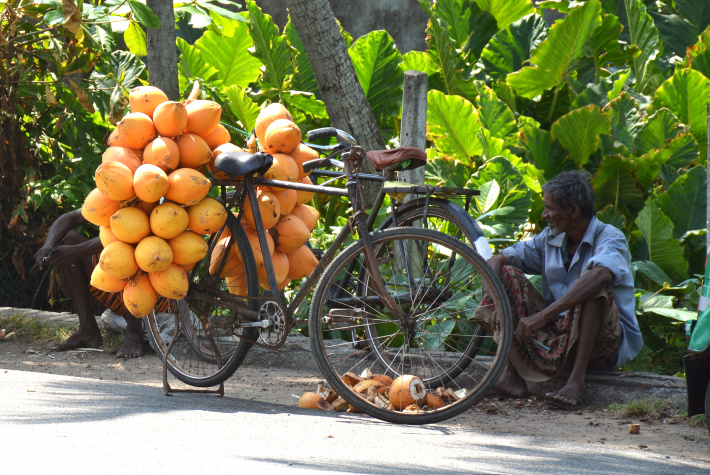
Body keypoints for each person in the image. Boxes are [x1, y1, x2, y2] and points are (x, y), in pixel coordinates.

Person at [474, 171, 643, 409]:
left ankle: (576, 382)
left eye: (549, 208)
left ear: (572, 211)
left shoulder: (610, 237)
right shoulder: (549, 239)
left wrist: (543, 316)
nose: (544, 215)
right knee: (506, 274)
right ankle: (508, 376)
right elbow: (495, 261)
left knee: (594, 285)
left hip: (603, 347)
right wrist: (498, 303)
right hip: (555, 339)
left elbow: (601, 275)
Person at [34, 209, 159, 358]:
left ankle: (134, 335)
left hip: (154, 295)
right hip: (119, 294)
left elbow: (130, 237)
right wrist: (49, 245)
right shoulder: (116, 194)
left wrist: (77, 251)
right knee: (69, 240)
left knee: (132, 253)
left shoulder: (149, 195)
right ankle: (87, 330)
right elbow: (70, 218)